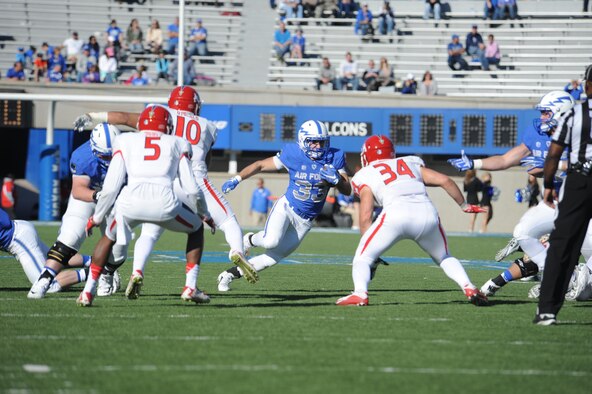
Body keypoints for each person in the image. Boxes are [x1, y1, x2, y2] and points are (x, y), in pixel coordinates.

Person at [72, 86, 258, 295]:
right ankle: (236, 251)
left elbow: (123, 117)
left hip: (162, 181)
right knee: (227, 221)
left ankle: (136, 271)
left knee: (150, 232)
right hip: (193, 177)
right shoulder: (207, 126)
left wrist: (93, 116)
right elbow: (206, 157)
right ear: (194, 105)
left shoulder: (156, 118)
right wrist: (204, 212)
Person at [447, 91, 579, 298]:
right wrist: (475, 163)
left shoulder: (582, 132)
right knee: (523, 232)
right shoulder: (538, 134)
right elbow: (506, 159)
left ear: (561, 112)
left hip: (583, 201)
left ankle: (573, 280)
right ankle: (560, 278)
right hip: (558, 201)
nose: (542, 117)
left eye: (546, 112)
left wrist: (554, 165)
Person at [77, 106, 209, 307]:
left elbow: (111, 187)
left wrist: (96, 218)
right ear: (168, 125)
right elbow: (191, 188)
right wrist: (203, 213)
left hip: (130, 204)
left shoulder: (124, 140)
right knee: (197, 228)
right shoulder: (179, 142)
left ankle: (87, 291)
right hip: (164, 203)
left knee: (108, 237)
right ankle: (190, 287)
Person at [336, 135, 489, 306]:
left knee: (363, 258)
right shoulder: (410, 162)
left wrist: (367, 241)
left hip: (395, 215)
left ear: (366, 155)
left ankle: (360, 293)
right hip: (426, 214)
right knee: (444, 257)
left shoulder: (365, 174)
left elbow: (366, 213)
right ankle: (468, 286)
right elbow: (446, 180)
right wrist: (464, 205)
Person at [217, 120, 352, 291]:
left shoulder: (335, 156)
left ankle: (227, 275)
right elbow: (260, 165)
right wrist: (237, 178)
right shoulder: (293, 153)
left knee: (272, 258)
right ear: (303, 140)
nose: (318, 146)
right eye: (313, 141)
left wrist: (338, 180)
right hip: (287, 207)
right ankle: (249, 239)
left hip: (306, 221)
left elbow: (347, 190)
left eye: (321, 142)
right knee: (270, 241)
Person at [28, 123, 126, 299]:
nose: (109, 159)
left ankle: (106, 274)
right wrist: (99, 196)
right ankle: (44, 279)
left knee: (119, 249)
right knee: (70, 236)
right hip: (90, 196)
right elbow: (79, 190)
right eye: (105, 155)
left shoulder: (128, 152)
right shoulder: (83, 156)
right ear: (94, 149)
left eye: (112, 154)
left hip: (115, 200)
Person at [534, 64, 592, 325]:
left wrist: (548, 184)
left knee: (563, 246)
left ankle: (547, 309)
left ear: (587, 86)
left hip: (580, 181)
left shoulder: (574, 113)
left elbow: (554, 153)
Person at [0, 208, 91, 294]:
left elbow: (5, 223)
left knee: (46, 285)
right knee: (53, 260)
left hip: (17, 237)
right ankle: (94, 261)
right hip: (20, 229)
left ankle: (95, 272)